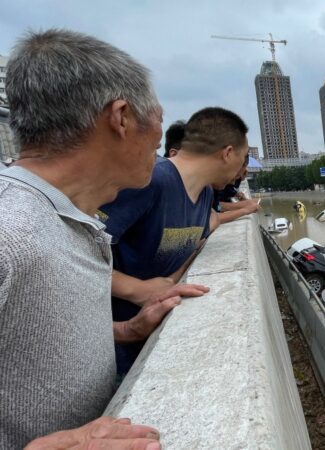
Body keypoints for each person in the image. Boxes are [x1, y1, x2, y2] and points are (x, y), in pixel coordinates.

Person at [0, 28, 207, 449]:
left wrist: (127, 330)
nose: (161, 146)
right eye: (160, 123)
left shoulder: (66, 218)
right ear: (122, 118)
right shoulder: (11, 231)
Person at [99, 107, 250, 374]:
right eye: (242, 157)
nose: (242, 170)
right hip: (110, 352)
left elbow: (193, 247)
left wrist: (171, 283)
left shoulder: (204, 194)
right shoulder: (150, 181)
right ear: (227, 153)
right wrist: (138, 289)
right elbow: (70, 255)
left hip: (150, 345)